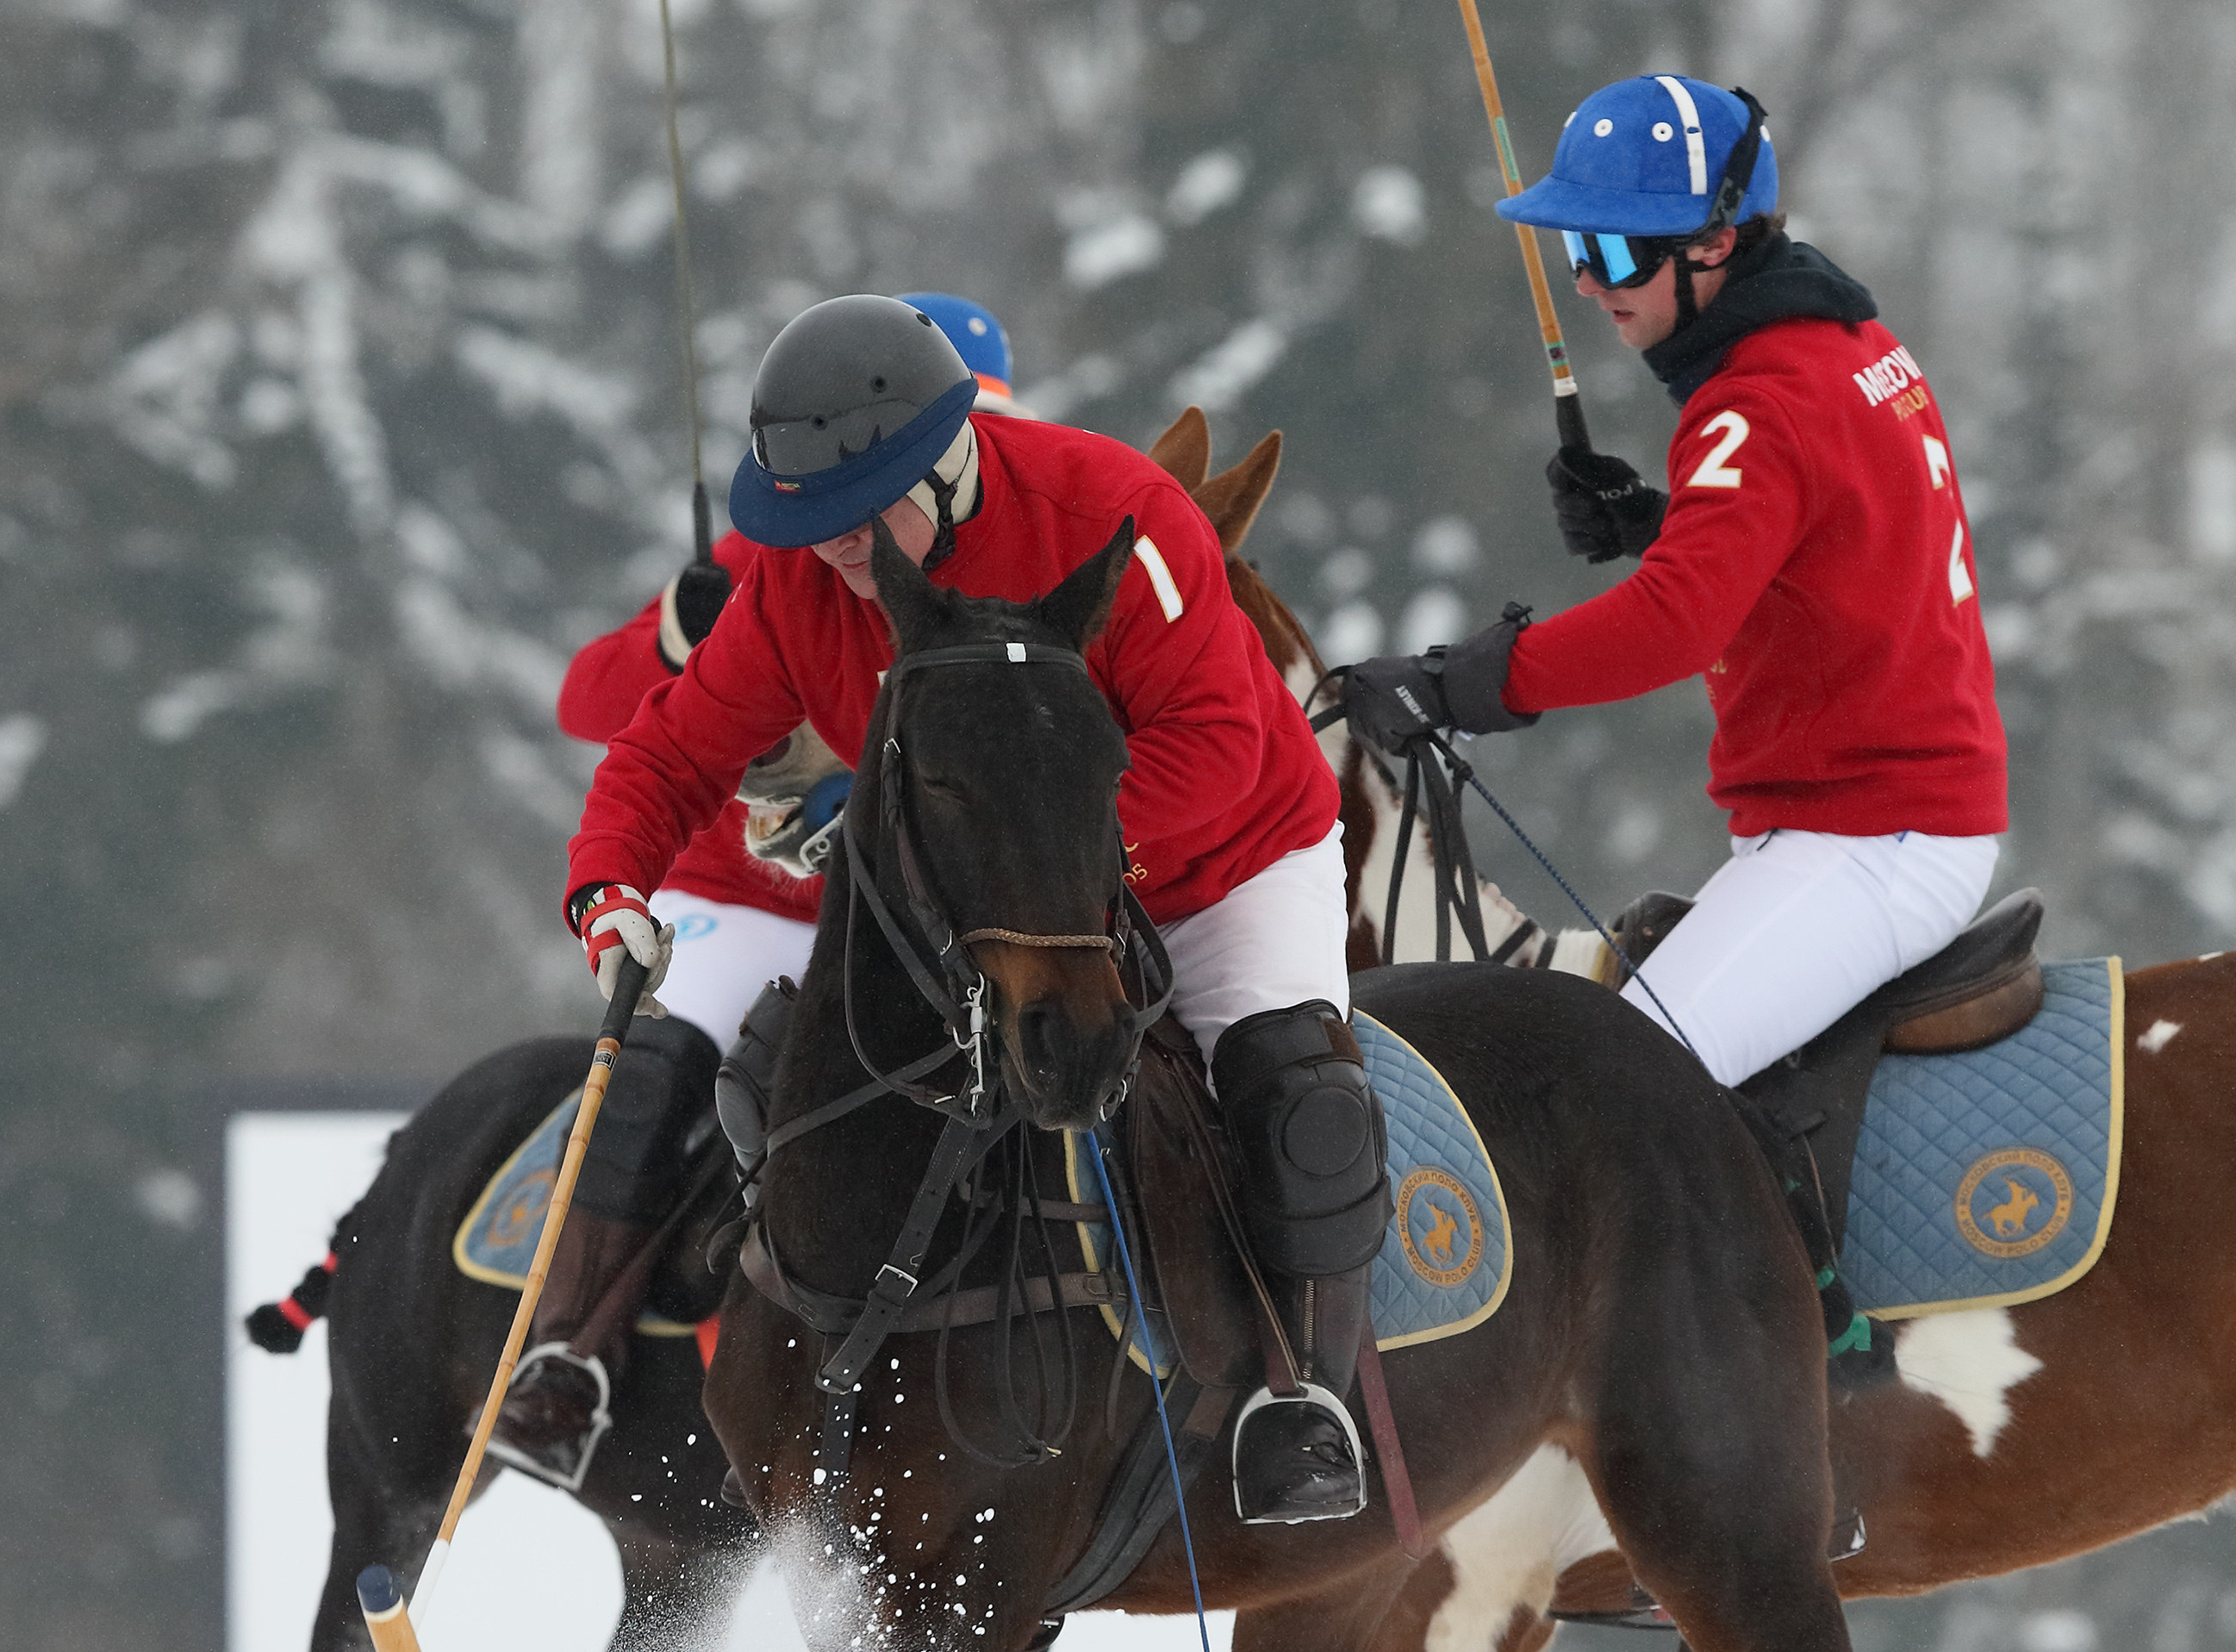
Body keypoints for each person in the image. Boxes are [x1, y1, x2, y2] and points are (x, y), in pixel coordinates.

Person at [568, 292, 1380, 1524]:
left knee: (1289, 1088)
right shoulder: (801, 582)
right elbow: (669, 753)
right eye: (806, 521)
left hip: (1227, 858)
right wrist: (608, 890)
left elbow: (1216, 741)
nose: (831, 548)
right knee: (795, 1076)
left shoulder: (1115, 515)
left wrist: (1037, 857)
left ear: (942, 465)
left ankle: (1299, 1401)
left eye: (852, 517)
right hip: (997, 902)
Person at [1336, 73, 2005, 1092]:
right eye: (1574, 251)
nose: (1590, 286)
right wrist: (1667, 524)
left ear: (1714, 243)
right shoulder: (1851, 345)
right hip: (1889, 819)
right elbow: (1849, 546)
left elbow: (1673, 627)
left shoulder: (1754, 400)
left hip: (1869, 834)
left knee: (1620, 1100)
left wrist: (1461, 683)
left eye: (1612, 253)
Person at [510, 297, 1031, 1481]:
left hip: (917, 904)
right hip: (745, 898)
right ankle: (567, 1356)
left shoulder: (1012, 558)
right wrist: (672, 644)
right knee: (664, 1054)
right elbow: (591, 706)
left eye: (992, 421)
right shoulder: (791, 542)